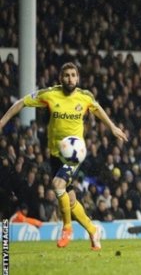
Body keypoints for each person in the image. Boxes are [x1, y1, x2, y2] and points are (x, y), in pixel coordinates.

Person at [0, 62, 128, 250]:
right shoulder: (50, 94)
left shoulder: (84, 97)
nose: (70, 79)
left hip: (75, 152)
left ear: (78, 78)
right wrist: (2, 122)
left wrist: (113, 127)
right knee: (70, 199)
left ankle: (67, 229)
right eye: (66, 75)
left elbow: (98, 109)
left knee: (57, 185)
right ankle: (93, 230)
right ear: (61, 78)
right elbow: (21, 102)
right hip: (55, 153)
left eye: (73, 75)